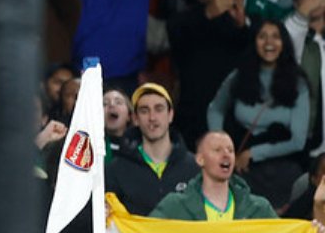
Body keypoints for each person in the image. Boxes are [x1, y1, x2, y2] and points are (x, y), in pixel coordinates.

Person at [207, 20, 310, 209]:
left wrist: (254, 153)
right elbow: (215, 109)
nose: (268, 42)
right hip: (243, 169)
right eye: (262, 36)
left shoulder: (298, 83)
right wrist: (221, 147)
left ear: (284, 43)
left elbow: (298, 141)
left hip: (284, 168)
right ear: (254, 42)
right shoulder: (239, 76)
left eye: (275, 37)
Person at [166, 0, 249, 146]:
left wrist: (242, 24)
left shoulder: (237, 19)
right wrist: (210, 12)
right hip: (193, 118)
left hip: (234, 116)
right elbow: (179, 39)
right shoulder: (181, 21)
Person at [106, 83, 199, 216]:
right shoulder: (116, 169)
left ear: (170, 115)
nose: (152, 118)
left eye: (159, 109)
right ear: (135, 119)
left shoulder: (194, 167)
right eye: (144, 111)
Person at [151, 131, 277, 220]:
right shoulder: (175, 206)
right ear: (200, 159)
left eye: (230, 150)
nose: (226, 154)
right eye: (217, 150)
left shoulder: (259, 209)